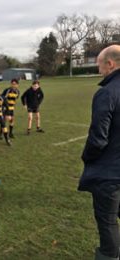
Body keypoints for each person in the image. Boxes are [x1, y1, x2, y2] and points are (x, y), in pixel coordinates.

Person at [78, 45, 120, 260]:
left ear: (110, 64)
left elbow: (98, 138)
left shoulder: (106, 92)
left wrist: (87, 157)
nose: (99, 69)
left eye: (100, 65)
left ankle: (109, 256)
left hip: (111, 172)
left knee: (108, 220)